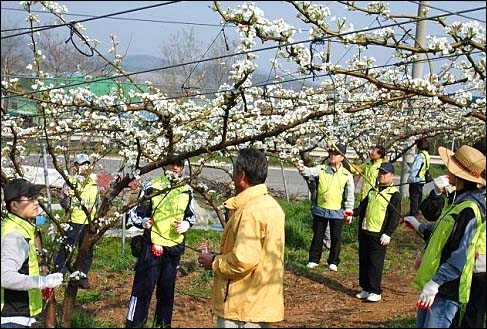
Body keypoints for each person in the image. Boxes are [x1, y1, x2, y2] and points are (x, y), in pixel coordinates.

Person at [198, 148, 285, 328]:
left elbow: (243, 259)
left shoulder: (250, 211)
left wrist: (214, 261)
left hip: (242, 304)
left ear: (242, 176)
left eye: (234, 171)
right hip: (261, 299)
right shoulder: (272, 206)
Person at [402, 144, 485, 328]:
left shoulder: (469, 209)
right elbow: (443, 235)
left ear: (459, 175)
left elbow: (460, 253)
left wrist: (435, 283)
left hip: (446, 287)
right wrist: (418, 226)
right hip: (437, 283)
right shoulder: (458, 203)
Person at [125, 153, 196, 328]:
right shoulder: (152, 186)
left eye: (179, 165)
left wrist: (186, 224)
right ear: (164, 166)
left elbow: (191, 216)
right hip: (152, 247)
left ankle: (163, 325)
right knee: (142, 290)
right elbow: (134, 214)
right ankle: (134, 324)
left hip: (173, 249)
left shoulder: (186, 189)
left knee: (166, 293)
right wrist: (143, 222)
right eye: (172, 164)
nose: (176, 168)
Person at [1, 178, 64, 328]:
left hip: (18, 316)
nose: (36, 202)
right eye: (29, 199)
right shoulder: (14, 236)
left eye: (35, 197)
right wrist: (42, 282)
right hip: (11, 317)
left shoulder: (20, 228)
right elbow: (4, 276)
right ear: (14, 205)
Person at [297, 142, 355, 271]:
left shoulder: (347, 175)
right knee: (318, 235)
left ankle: (333, 261)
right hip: (320, 209)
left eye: (335, 154)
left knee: (336, 237)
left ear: (342, 157)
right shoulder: (321, 169)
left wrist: (349, 211)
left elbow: (349, 194)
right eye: (331, 153)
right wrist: (302, 169)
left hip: (337, 210)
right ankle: (313, 259)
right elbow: (308, 172)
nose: (332, 156)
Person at [354, 162, 401, 302]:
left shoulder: (394, 194)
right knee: (364, 261)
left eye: (384, 173)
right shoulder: (372, 190)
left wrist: (388, 233)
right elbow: (362, 208)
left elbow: (394, 216)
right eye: (380, 172)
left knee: (375, 263)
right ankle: (365, 287)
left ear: (391, 176)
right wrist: (352, 214)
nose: (381, 175)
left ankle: (375, 290)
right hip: (366, 231)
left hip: (379, 234)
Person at [55, 153, 99, 289]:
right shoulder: (71, 182)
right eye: (82, 164)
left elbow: (98, 203)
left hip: (89, 222)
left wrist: (96, 221)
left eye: (87, 164)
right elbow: (63, 203)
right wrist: (66, 197)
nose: (85, 167)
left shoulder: (93, 183)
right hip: (74, 221)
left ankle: (82, 275)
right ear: (75, 167)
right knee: (67, 248)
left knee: (86, 250)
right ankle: (58, 273)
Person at [407, 138, 431, 216]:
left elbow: (415, 168)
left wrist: (410, 177)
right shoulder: (427, 154)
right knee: (419, 196)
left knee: (414, 197)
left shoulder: (420, 155)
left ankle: (413, 214)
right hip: (421, 179)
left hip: (415, 179)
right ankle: (417, 211)